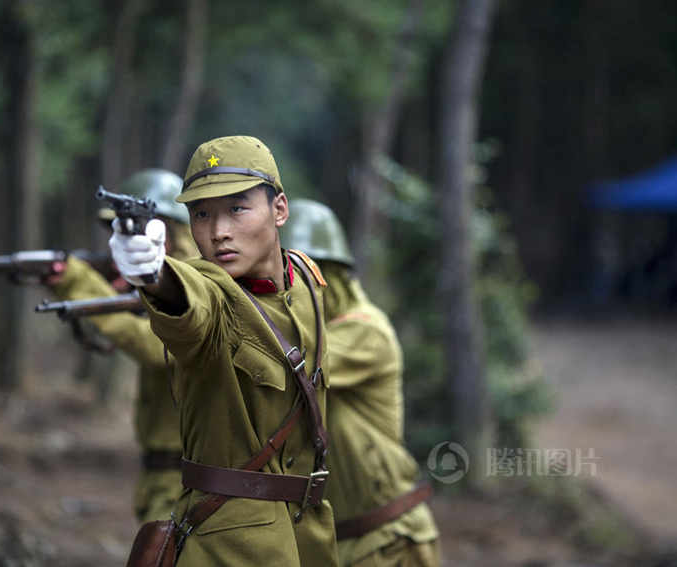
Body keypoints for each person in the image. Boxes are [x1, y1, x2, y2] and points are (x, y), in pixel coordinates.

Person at [109, 136, 338, 566]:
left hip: (311, 536)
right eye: (201, 214)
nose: (218, 233)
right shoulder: (210, 288)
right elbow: (187, 299)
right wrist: (152, 272)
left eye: (237, 208)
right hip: (231, 546)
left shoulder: (307, 278)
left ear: (280, 209)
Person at [280, 199, 440, 567]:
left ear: (330, 276)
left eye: (305, 276)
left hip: (389, 541)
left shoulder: (365, 330)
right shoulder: (311, 334)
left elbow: (293, 367)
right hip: (339, 543)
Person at [47, 169, 197, 523]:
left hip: (188, 478)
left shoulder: (198, 288)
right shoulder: (157, 287)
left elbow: (151, 345)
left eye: (139, 231)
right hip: (161, 474)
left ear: (170, 232)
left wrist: (79, 284)